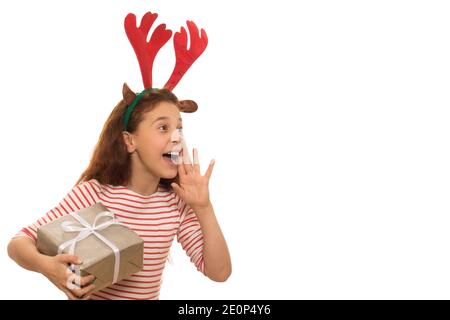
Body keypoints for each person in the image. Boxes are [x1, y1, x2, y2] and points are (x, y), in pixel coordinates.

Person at [7, 10, 231, 300]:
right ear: (129, 141)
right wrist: (48, 267)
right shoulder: (95, 193)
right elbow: (19, 243)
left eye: (179, 127)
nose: (176, 137)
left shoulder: (176, 203)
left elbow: (219, 272)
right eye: (163, 127)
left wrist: (203, 208)